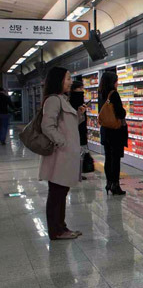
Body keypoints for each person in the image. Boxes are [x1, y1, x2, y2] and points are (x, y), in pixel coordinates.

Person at [39, 67, 83, 240]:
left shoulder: (62, 99)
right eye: (68, 78)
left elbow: (67, 125)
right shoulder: (53, 100)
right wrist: (62, 142)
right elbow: (47, 126)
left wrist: (79, 115)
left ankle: (61, 227)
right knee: (57, 193)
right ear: (58, 80)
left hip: (65, 154)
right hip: (59, 155)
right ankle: (56, 231)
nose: (71, 82)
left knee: (61, 191)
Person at [98, 71, 127, 196]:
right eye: (116, 81)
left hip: (105, 130)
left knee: (108, 158)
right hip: (115, 131)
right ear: (112, 82)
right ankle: (115, 185)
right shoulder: (114, 94)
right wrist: (124, 111)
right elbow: (120, 113)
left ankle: (109, 183)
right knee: (115, 159)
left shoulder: (101, 94)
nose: (117, 83)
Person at [69, 81, 89, 178]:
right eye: (80, 88)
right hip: (76, 131)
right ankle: (76, 173)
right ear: (74, 89)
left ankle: (77, 172)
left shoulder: (72, 99)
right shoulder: (74, 100)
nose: (82, 91)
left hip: (79, 130)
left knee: (79, 152)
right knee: (78, 152)